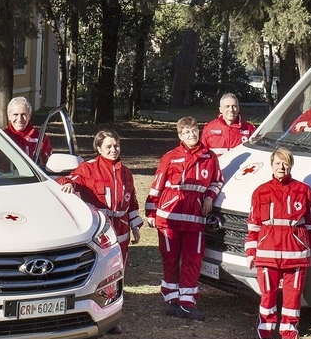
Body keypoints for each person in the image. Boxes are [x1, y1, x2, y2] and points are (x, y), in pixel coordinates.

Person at [145, 117, 224, 320]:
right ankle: (171, 298)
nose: (192, 135)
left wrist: (209, 196)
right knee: (170, 257)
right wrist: (151, 212)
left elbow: (217, 181)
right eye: (187, 132)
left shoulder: (210, 156)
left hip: (195, 217)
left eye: (194, 130)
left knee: (193, 259)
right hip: (169, 216)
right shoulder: (170, 157)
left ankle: (187, 302)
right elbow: (157, 185)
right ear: (180, 135)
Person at [245, 147, 311, 339]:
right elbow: (253, 227)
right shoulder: (261, 191)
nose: (281, 167)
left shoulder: (304, 191)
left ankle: (289, 337)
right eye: (278, 163)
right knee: (267, 295)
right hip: (267, 254)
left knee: (292, 295)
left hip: (296, 255)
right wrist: (251, 252)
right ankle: (264, 335)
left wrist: (303, 246)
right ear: (272, 165)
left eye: (285, 163)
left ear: (291, 165)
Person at [58, 130, 142, 267]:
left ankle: (119, 289)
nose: (113, 150)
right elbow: (68, 179)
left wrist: (135, 226)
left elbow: (132, 202)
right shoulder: (88, 168)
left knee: (120, 265)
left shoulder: (126, 172)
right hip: (101, 226)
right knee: (101, 266)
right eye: (108, 147)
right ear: (99, 148)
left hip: (122, 228)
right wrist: (68, 184)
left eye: (116, 146)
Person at [3, 97, 53, 165]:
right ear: (9, 116)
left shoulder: (41, 139)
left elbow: (50, 166)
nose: (20, 119)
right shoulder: (0, 136)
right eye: (15, 114)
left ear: (29, 115)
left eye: (23, 114)